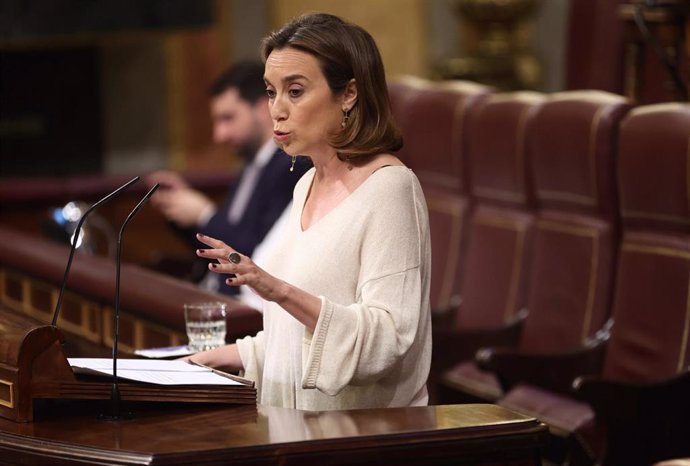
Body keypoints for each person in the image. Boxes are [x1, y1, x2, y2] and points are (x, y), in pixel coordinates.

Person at [187, 13, 432, 410]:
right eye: (270, 92)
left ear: (348, 93)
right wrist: (208, 360)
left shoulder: (391, 189)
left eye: (295, 91)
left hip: (364, 438)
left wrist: (277, 290)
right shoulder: (306, 184)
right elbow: (297, 335)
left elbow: (388, 338)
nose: (276, 110)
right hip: (297, 428)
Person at [146, 61, 310, 297]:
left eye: (228, 118)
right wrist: (183, 211)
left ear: (263, 109)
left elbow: (258, 258)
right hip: (216, 294)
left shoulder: (290, 167)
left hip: (247, 307)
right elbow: (223, 252)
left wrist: (205, 214)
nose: (219, 134)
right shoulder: (251, 165)